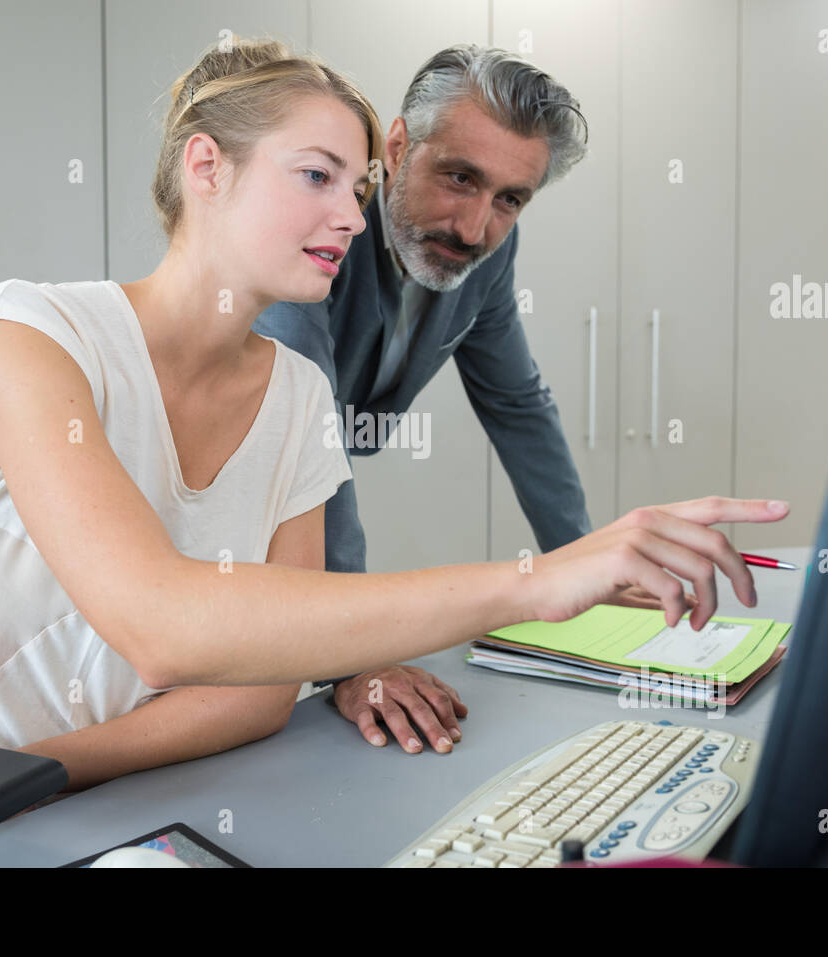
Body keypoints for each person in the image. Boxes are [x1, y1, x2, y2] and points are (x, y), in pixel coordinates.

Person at [0, 37, 787, 841]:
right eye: (317, 176)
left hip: (154, 793)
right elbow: (164, 627)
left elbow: (260, 693)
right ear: (206, 167)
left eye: (358, 189)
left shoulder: (294, 395)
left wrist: (54, 771)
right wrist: (541, 580)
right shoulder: (22, 332)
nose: (349, 215)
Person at [252, 45, 609, 750]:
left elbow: (517, 403)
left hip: (291, 503)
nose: (475, 228)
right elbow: (311, 433)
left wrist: (587, 565)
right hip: (214, 506)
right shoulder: (316, 225)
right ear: (396, 146)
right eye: (459, 177)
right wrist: (353, 657)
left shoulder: (487, 250)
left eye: (510, 198)